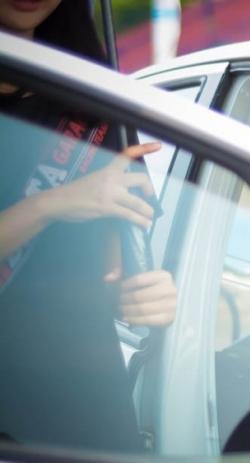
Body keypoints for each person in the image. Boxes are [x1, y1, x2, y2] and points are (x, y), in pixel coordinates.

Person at [0, 1, 175, 451]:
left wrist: (145, 296)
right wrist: (51, 204)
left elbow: (118, 265)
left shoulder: (93, 98)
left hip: (87, 415)